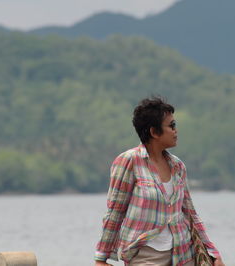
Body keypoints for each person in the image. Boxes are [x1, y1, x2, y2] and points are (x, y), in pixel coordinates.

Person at [94, 97, 225, 266]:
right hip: (145, 255)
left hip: (184, 252)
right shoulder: (129, 161)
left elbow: (190, 213)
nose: (175, 131)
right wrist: (100, 259)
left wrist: (213, 253)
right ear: (154, 132)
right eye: (171, 126)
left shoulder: (178, 166)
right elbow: (115, 212)